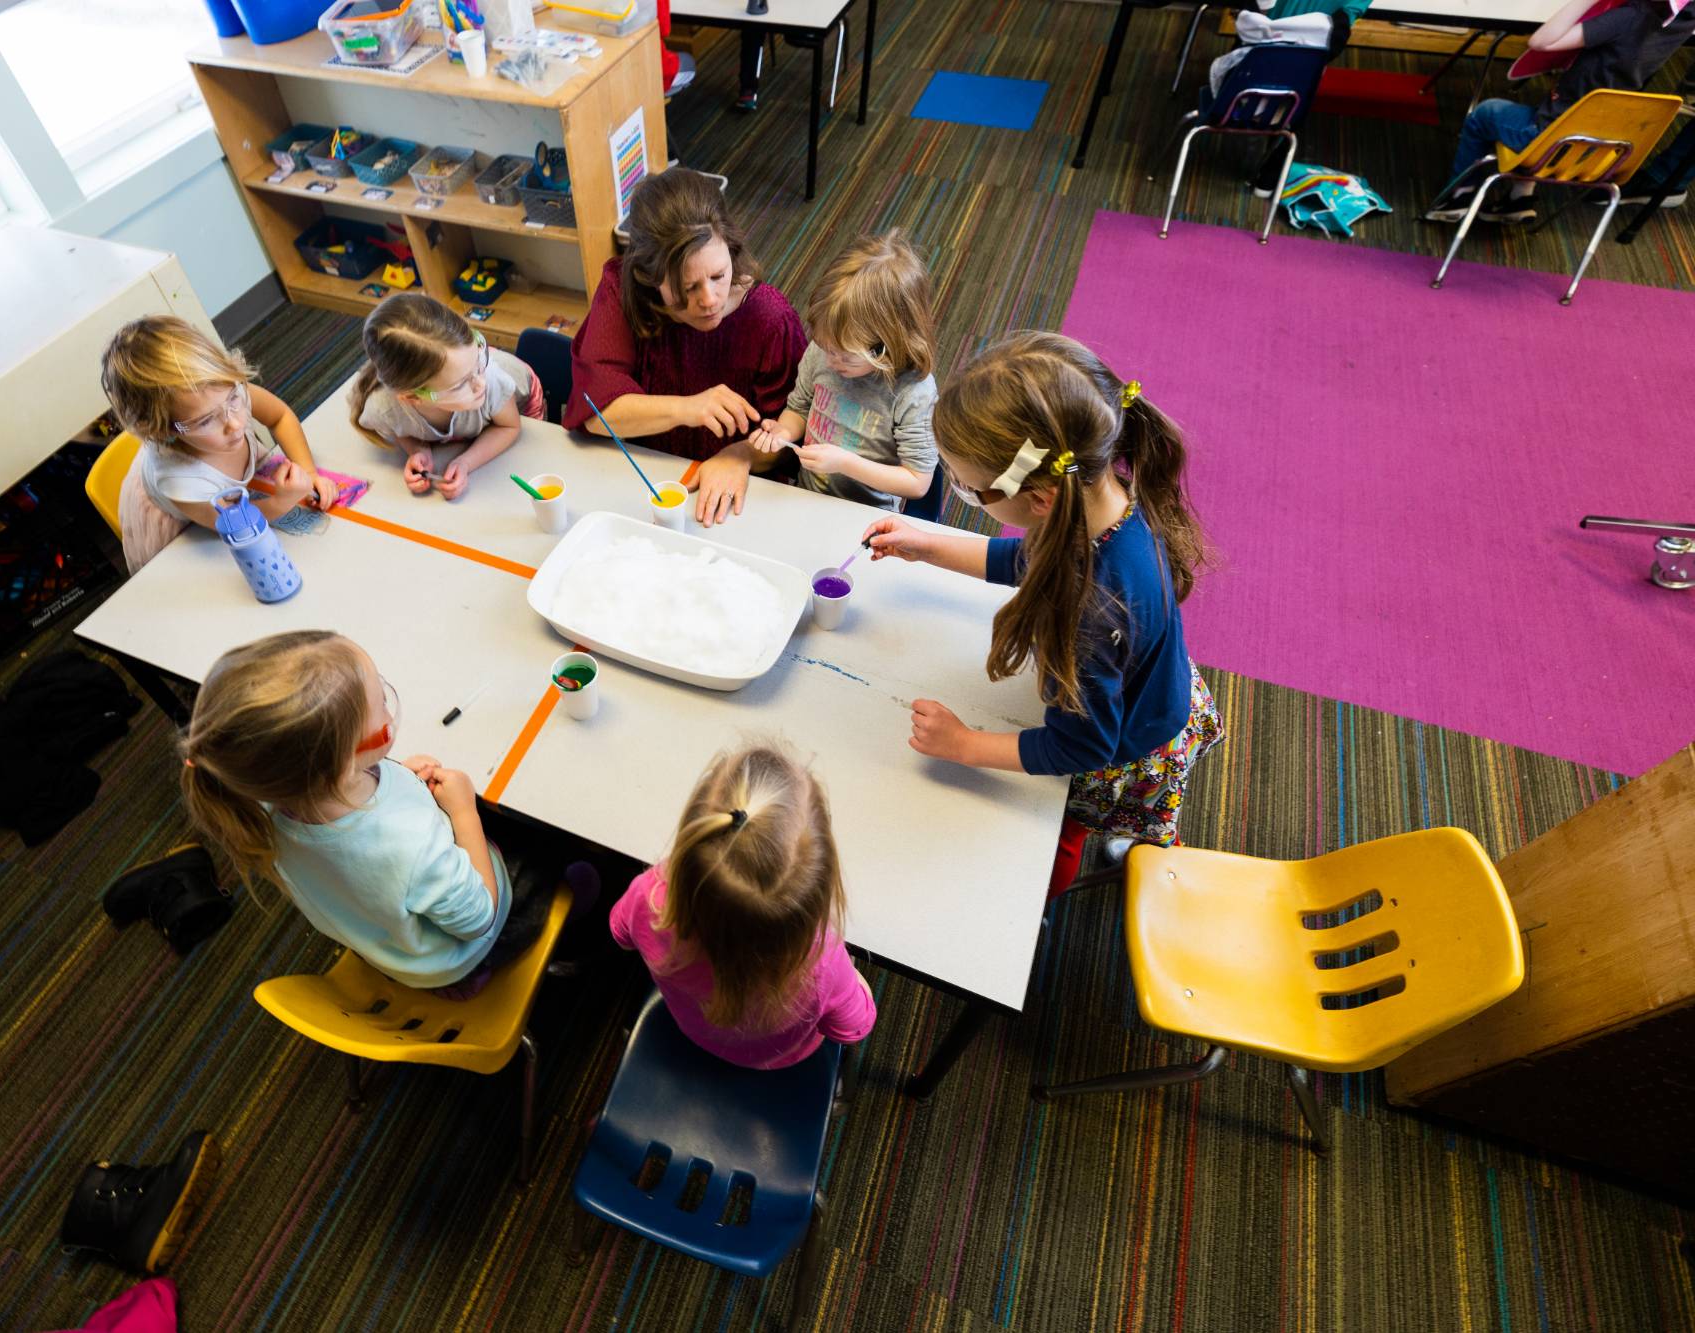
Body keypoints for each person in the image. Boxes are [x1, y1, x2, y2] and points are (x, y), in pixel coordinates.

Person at [861, 333, 1222, 894]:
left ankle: (1119, 870)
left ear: (1042, 497)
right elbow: (1027, 559)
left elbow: (1080, 748)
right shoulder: (1100, 497)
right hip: (1152, 688)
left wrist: (964, 745)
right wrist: (927, 544)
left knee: (1055, 839)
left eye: (971, 489)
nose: (961, 491)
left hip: (1132, 746)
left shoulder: (1088, 609)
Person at [181, 631, 590, 998]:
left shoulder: (260, 801)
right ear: (343, 763)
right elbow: (478, 918)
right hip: (463, 947)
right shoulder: (408, 846)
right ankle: (473, 972)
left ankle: (433, 976)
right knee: (549, 850)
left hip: (387, 945)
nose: (388, 709)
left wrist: (391, 780)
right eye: (381, 703)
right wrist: (464, 812)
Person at [565, 168, 808, 527]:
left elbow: (791, 435)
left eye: (718, 276)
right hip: (644, 481)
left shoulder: (769, 318)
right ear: (649, 278)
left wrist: (739, 454)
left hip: (736, 501)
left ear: (731, 248)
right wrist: (689, 408)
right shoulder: (622, 291)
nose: (709, 300)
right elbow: (596, 413)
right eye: (687, 287)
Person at [608, 744, 875, 1069]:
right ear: (822, 885)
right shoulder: (820, 961)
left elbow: (620, 933)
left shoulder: (648, 899)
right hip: (775, 1060)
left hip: (689, 1029)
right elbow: (852, 1028)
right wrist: (859, 986)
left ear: (693, 834)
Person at [1426, 0, 1695, 225]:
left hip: (1547, 141)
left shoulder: (1629, 18)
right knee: (1552, 107)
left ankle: (1458, 195)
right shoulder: (1677, 29)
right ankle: (1519, 198)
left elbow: (1541, 42)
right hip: (1598, 154)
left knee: (1486, 113)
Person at [747, 231, 939, 511]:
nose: (832, 361)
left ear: (886, 344)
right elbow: (799, 408)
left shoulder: (913, 392)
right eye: (827, 348)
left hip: (868, 516)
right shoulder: (822, 352)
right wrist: (784, 432)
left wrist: (845, 463)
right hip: (808, 496)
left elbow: (917, 482)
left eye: (846, 356)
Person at [100, 316, 335, 531]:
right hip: (187, 514)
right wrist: (280, 503)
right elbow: (232, 524)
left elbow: (280, 416)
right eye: (205, 421)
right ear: (165, 430)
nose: (234, 424)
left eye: (233, 398)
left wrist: (308, 470)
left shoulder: (220, 393)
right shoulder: (179, 479)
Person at [346, 293, 541, 499]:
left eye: (478, 356)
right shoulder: (383, 408)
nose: (478, 383)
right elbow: (399, 425)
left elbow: (509, 426)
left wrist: (465, 462)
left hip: (518, 401)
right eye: (460, 385)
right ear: (412, 397)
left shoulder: (489, 379)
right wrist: (418, 450)